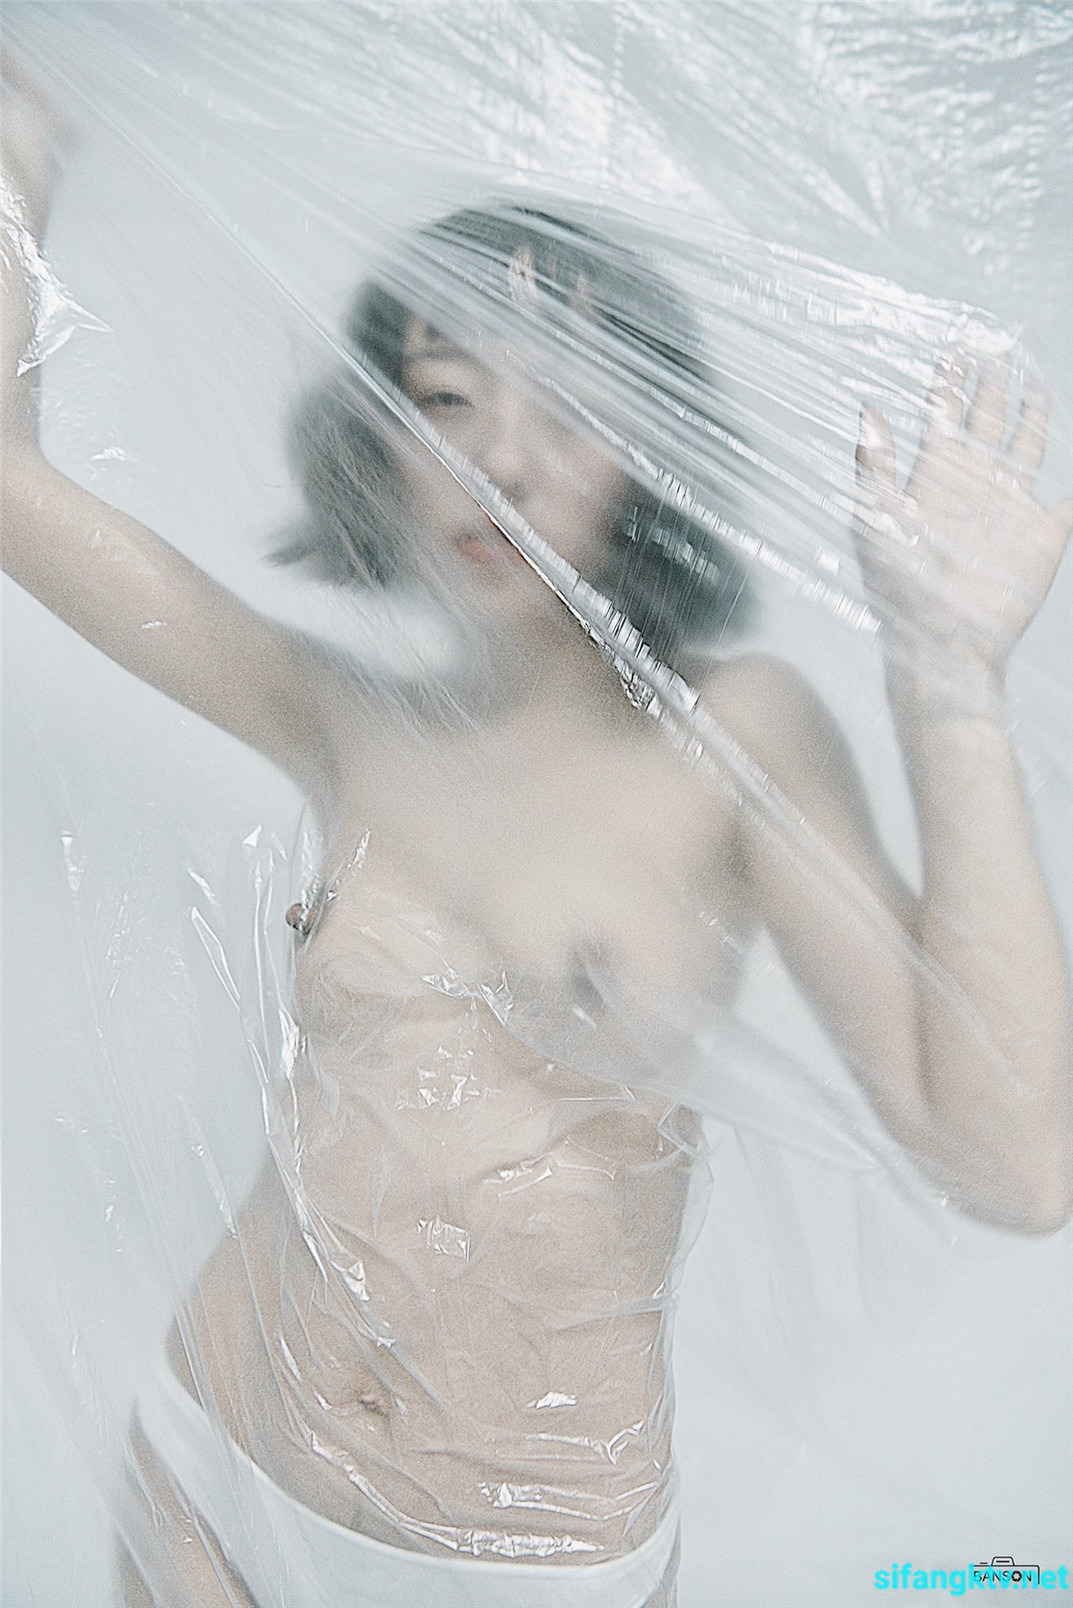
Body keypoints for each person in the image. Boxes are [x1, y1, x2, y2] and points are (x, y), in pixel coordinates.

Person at [3, 59, 1071, 1608]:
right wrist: (23, 137)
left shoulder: (730, 738)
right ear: (377, 438)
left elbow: (1013, 1167)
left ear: (651, 450)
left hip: (519, 1567)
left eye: (564, 407)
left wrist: (947, 679)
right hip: (210, 1469)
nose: (494, 460)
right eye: (443, 399)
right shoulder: (342, 718)